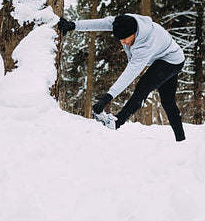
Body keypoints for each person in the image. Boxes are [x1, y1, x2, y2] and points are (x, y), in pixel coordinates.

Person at [58, 14, 186, 141]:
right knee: (168, 102)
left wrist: (107, 97)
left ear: (135, 33)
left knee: (144, 86)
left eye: (125, 39)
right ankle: (181, 140)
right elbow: (101, 23)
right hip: (161, 55)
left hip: (172, 60)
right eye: (121, 40)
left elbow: (129, 74)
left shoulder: (145, 45)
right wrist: (73, 25)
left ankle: (116, 123)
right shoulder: (124, 22)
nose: (123, 43)